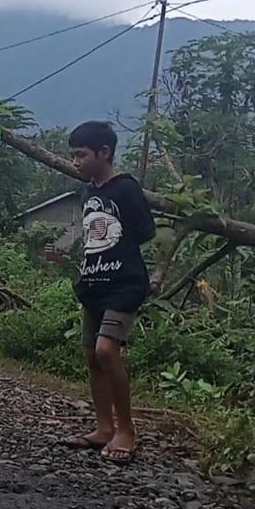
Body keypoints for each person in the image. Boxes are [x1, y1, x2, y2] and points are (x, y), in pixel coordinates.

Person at [61, 121, 155, 465]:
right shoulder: (89, 193)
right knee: (91, 355)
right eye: (73, 155)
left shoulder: (125, 189)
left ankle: (126, 429)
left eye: (81, 154)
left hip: (123, 284)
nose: (76, 161)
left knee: (106, 350)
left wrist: (117, 254)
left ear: (105, 153)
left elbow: (145, 231)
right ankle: (103, 428)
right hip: (94, 285)